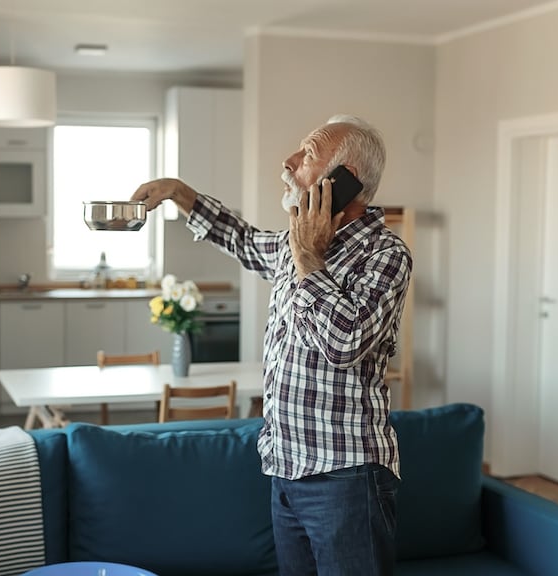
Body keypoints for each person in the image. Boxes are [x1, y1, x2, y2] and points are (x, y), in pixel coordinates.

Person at [131, 114, 411, 576]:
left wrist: (309, 259)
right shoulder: (290, 243)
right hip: (285, 468)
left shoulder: (385, 255)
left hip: (346, 474)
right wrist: (180, 194)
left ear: (343, 181)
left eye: (307, 153)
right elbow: (242, 239)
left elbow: (344, 343)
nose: (289, 162)